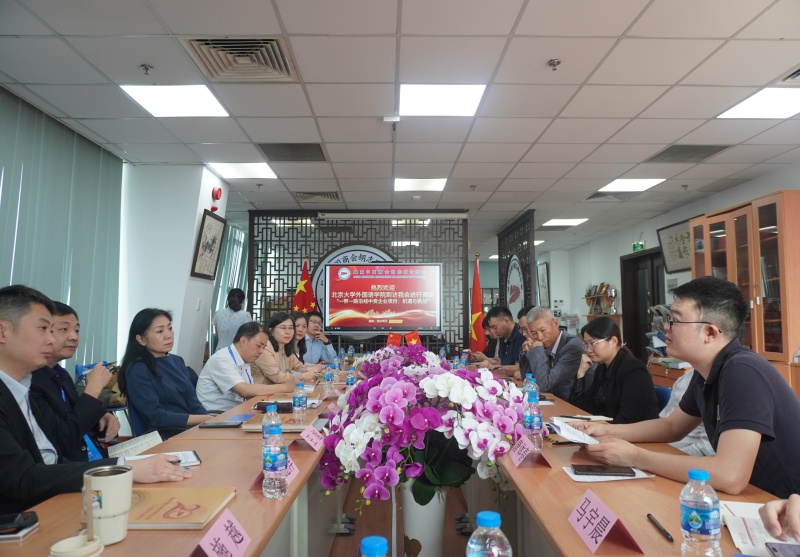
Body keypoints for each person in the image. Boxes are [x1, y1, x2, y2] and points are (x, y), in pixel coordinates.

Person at [574, 277, 800, 498]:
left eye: (674, 320)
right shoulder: (704, 373)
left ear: (710, 333)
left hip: (785, 504)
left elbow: (730, 475)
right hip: (759, 498)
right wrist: (606, 430)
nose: (665, 327)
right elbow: (672, 427)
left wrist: (635, 457)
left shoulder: (742, 370)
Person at [0, 285, 190, 514]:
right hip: (30, 512)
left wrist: (101, 416)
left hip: (67, 483)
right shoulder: (25, 386)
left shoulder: (30, 382)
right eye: (44, 329)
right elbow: (24, 477)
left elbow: (54, 455)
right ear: (3, 332)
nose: (52, 339)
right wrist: (123, 467)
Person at [30, 302, 119, 461]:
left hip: (94, 457)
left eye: (76, 330)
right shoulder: (30, 381)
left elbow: (76, 416)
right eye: (64, 329)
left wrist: (103, 415)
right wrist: (93, 389)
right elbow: (64, 440)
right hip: (70, 468)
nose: (74, 337)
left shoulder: (60, 374)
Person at [119, 309, 210, 437]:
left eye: (170, 328)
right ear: (141, 339)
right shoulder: (137, 370)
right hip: (166, 437)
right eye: (160, 331)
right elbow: (157, 417)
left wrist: (211, 421)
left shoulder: (177, 361)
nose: (168, 335)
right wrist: (203, 419)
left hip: (191, 430)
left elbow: (193, 402)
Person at [569, 316, 659, 424]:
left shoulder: (634, 371)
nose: (588, 350)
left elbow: (627, 420)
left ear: (613, 341)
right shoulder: (602, 369)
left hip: (634, 433)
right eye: (586, 344)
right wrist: (581, 373)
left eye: (593, 343)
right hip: (610, 429)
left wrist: (596, 426)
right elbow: (583, 408)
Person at [196, 321, 293, 413]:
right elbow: (245, 390)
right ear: (243, 341)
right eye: (259, 346)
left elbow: (250, 392)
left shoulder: (245, 360)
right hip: (218, 416)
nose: (261, 351)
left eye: (264, 347)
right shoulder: (222, 359)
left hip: (238, 410)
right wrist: (286, 387)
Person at [518, 306, 584, 400]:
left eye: (542, 330)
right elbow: (528, 381)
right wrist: (528, 351)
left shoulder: (571, 347)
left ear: (555, 323)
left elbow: (544, 384)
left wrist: (536, 351)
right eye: (533, 333)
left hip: (570, 404)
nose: (539, 337)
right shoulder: (546, 345)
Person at [251, 312, 318, 385]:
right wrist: (302, 376)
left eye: (291, 328)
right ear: (271, 330)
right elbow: (277, 377)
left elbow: (298, 367)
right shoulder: (265, 348)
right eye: (283, 328)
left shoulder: (285, 347)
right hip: (264, 391)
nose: (288, 332)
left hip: (283, 390)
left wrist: (312, 372)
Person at [659, 370, 714, 456]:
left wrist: (661, 458)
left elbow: (708, 449)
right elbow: (667, 423)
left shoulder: (723, 383)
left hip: (682, 456)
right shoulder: (687, 377)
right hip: (662, 448)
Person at [482, 306, 525, 377]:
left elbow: (519, 368)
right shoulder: (503, 336)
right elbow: (502, 362)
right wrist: (491, 365)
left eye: (494, 327)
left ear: (506, 321)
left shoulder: (520, 336)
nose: (494, 332)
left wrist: (493, 367)